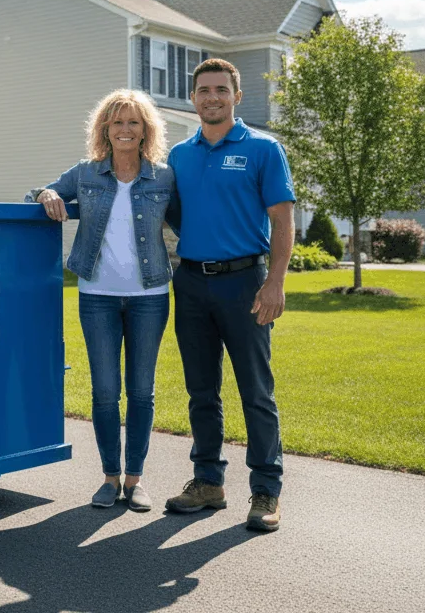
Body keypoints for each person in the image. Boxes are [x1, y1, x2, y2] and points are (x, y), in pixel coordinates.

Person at [163, 58, 294, 533]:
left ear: (236, 97)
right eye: (203, 90)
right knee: (201, 390)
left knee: (255, 391)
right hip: (192, 283)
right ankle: (208, 482)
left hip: (246, 284)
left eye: (221, 89)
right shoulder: (179, 155)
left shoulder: (263, 149)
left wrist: (274, 280)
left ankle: (266, 490)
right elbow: (175, 216)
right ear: (192, 98)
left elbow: (282, 219)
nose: (212, 97)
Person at [29, 89, 176, 512]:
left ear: (145, 130)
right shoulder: (86, 173)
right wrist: (46, 195)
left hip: (150, 295)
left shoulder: (163, 176)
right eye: (117, 123)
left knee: (142, 391)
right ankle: (110, 478)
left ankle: (136, 479)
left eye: (133, 122)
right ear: (105, 130)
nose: (125, 130)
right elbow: (36, 193)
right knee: (105, 391)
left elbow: (190, 220)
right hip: (97, 296)